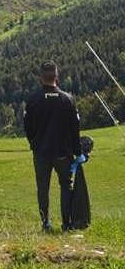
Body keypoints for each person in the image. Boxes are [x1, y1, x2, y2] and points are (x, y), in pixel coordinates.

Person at [23, 61, 82, 232]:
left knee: (43, 188)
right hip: (63, 153)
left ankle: (45, 223)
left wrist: (34, 143)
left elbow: (27, 127)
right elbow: (74, 129)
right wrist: (77, 153)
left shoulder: (33, 100)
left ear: (41, 78)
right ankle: (66, 223)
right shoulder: (68, 100)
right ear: (56, 76)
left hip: (41, 152)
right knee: (66, 186)